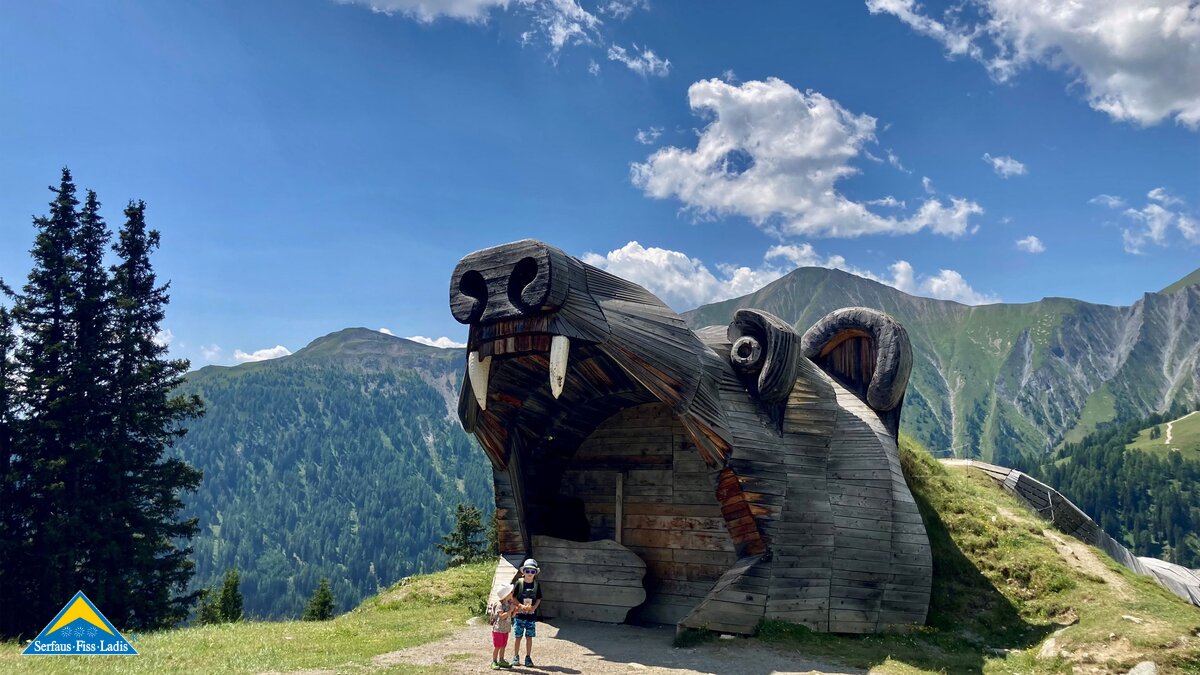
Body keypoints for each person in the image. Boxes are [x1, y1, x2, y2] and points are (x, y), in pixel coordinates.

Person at [511, 558, 543, 667]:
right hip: (519, 615)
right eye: (527, 571)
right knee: (518, 637)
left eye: (532, 571)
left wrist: (534, 607)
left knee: (529, 637)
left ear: (535, 573)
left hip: (531, 616)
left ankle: (528, 657)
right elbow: (513, 597)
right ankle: (516, 656)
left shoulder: (536, 585)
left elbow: (539, 598)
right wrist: (520, 606)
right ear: (523, 572)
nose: (530, 574)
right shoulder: (519, 583)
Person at [487, 583, 516, 669]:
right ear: (506, 595)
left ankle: (501, 660)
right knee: (497, 646)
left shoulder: (508, 604)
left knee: (503, 645)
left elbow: (511, 616)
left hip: (505, 629)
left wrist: (514, 611)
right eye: (511, 592)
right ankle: (494, 661)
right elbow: (502, 616)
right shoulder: (499, 605)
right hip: (498, 629)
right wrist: (511, 610)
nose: (512, 594)